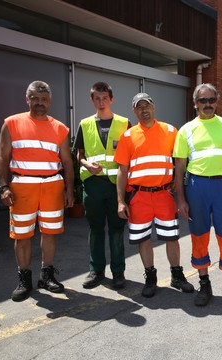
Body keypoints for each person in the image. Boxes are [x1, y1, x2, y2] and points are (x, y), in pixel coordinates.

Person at [0, 80, 74, 302]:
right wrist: (4, 186)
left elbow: (67, 162)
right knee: (22, 235)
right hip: (22, 186)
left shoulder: (60, 128)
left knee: (50, 232)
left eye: (43, 99)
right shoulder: (11, 123)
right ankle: (24, 279)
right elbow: (2, 157)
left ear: (49, 101)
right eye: (35, 98)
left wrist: (70, 189)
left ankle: (46, 276)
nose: (39, 103)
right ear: (27, 98)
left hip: (52, 186)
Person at [114, 92, 193, 298]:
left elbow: (179, 162)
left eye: (146, 105)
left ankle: (177, 275)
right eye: (139, 107)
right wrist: (121, 201)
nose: (144, 110)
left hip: (163, 194)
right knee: (143, 239)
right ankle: (150, 277)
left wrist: (177, 186)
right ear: (134, 111)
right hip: (138, 196)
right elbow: (122, 171)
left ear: (153, 107)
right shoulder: (128, 136)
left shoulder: (170, 130)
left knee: (172, 237)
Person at [173, 83, 222, 308]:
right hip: (196, 188)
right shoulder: (185, 130)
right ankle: (204, 283)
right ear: (195, 103)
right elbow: (179, 168)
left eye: (211, 100)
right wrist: (181, 199)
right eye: (202, 101)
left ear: (217, 101)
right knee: (199, 234)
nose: (207, 104)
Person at [74, 82, 130, 289]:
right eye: (97, 98)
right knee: (95, 229)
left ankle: (118, 273)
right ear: (92, 100)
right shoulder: (85, 124)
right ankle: (96, 270)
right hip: (93, 185)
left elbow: (131, 154)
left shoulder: (124, 123)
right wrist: (87, 163)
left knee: (116, 230)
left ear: (111, 99)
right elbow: (79, 153)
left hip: (116, 186)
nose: (101, 102)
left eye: (104, 98)